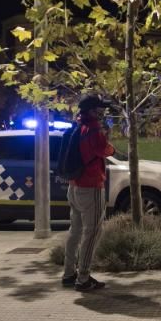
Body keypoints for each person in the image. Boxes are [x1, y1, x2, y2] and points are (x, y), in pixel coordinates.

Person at [63, 94, 115, 291]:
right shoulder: (93, 129)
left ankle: (68, 273)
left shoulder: (78, 126)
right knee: (92, 232)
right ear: (92, 111)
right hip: (91, 187)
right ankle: (83, 278)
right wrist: (111, 145)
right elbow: (106, 150)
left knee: (74, 231)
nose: (103, 112)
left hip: (74, 186)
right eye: (100, 109)